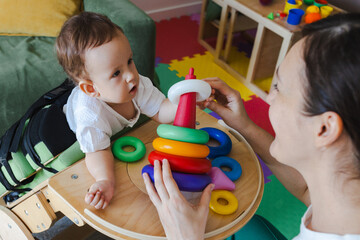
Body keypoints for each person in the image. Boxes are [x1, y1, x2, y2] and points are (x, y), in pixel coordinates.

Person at [143, 13, 360, 239]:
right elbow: (308, 190)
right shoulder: (345, 193)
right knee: (247, 225)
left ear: (323, 129)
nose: (268, 99)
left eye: (278, 87)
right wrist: (244, 127)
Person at [56, 12, 177, 210]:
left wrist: (187, 101)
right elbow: (97, 151)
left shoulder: (136, 84)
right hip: (69, 134)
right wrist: (105, 180)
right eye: (116, 73)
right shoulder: (89, 114)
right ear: (92, 89)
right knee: (95, 145)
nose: (131, 75)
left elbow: (162, 110)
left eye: (129, 61)